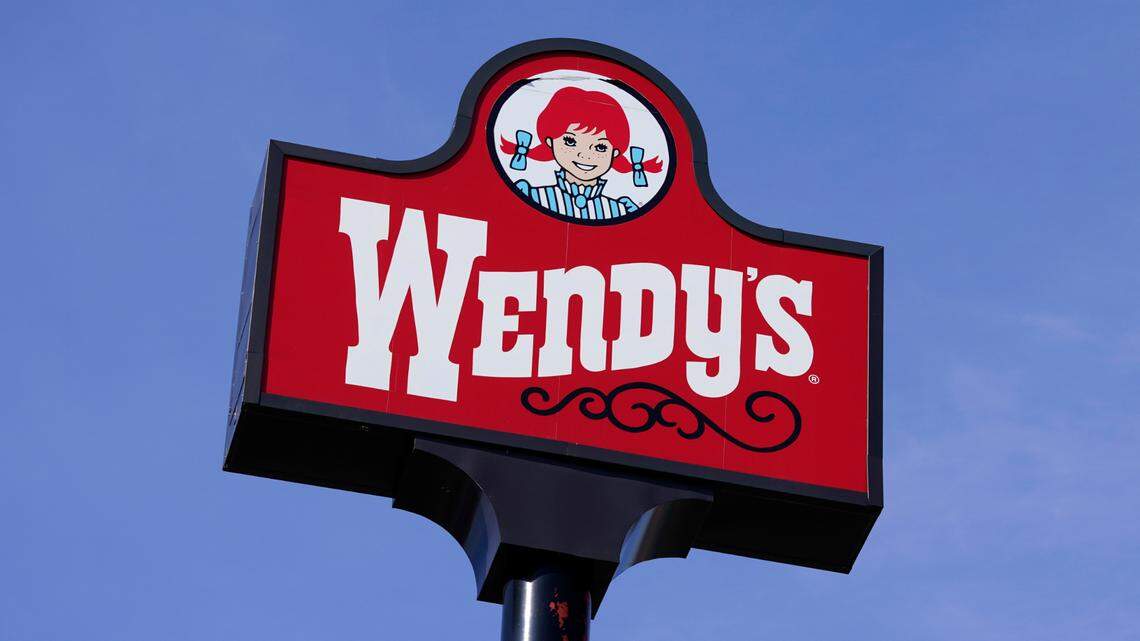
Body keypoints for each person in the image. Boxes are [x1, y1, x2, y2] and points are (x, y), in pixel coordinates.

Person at [500, 86, 663, 221]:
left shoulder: (622, 210)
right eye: (570, 141)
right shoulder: (531, 196)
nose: (585, 155)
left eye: (600, 147)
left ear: (614, 153)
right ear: (550, 142)